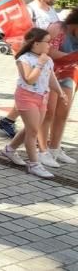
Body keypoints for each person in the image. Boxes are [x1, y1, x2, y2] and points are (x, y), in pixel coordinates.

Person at [2, 28, 69, 178]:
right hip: (26, 97)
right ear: (36, 43)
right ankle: (34, 164)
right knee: (33, 131)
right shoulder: (24, 59)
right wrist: (39, 64)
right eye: (47, 42)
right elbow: (29, 79)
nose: (50, 45)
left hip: (42, 97)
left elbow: (51, 78)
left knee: (32, 128)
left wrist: (60, 92)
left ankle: (9, 149)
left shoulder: (48, 59)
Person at [0, 0, 61, 138]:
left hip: (46, 57)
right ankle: (32, 134)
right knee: (32, 92)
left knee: (36, 92)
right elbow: (21, 36)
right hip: (32, 59)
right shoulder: (29, 10)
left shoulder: (52, 10)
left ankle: (10, 120)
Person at [45, 10, 78, 165]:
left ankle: (54, 148)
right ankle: (42, 151)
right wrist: (71, 57)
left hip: (67, 74)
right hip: (49, 74)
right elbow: (48, 51)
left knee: (63, 113)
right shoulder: (59, 28)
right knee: (49, 113)